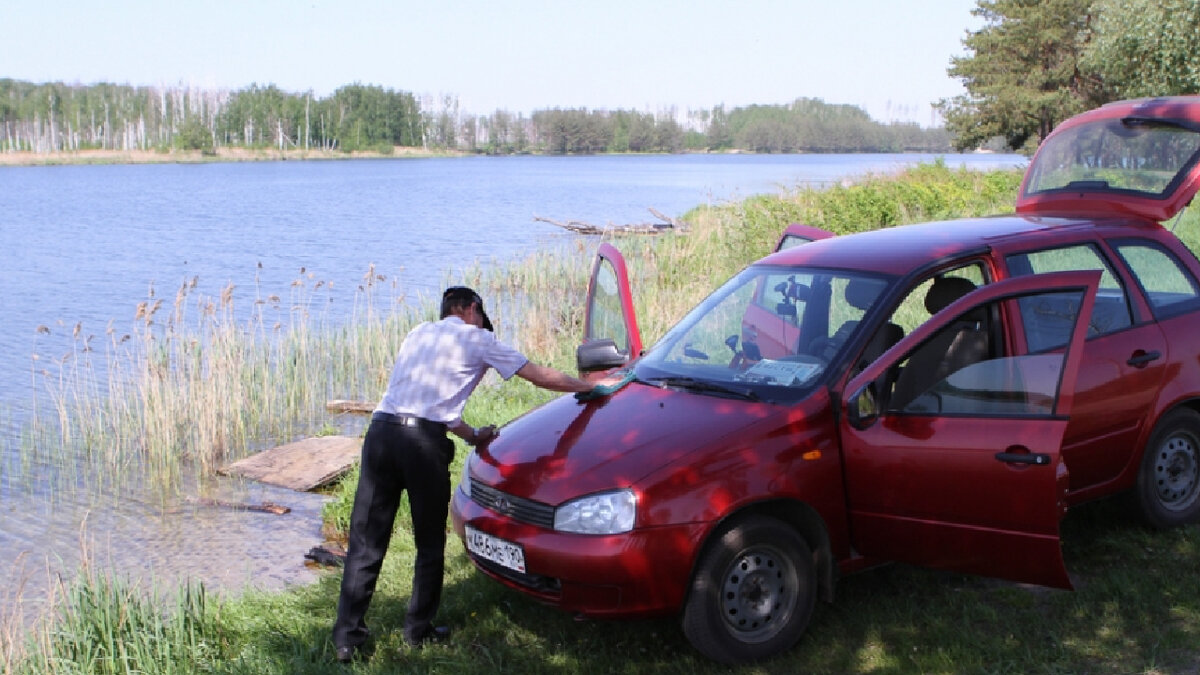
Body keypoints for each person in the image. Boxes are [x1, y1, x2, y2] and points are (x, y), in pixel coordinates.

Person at [332, 286, 596, 663]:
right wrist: (587, 386)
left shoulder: (418, 333)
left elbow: (429, 401)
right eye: (480, 316)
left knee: (366, 541)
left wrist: (472, 435)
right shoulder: (478, 338)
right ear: (472, 309)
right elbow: (539, 376)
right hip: (421, 446)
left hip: (381, 434)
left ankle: (347, 640)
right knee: (428, 543)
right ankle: (418, 630)